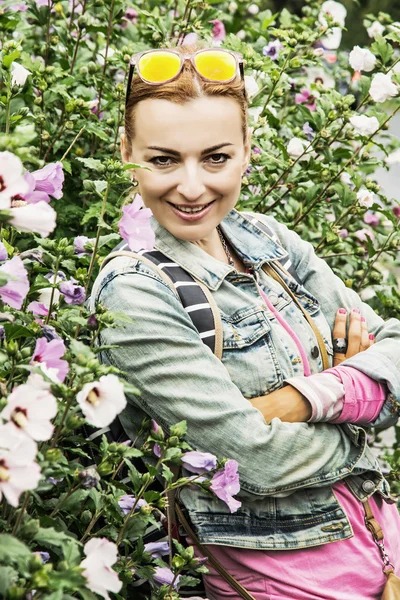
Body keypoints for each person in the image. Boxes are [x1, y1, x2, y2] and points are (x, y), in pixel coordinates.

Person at [89, 42, 400, 600]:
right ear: (126, 152)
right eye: (162, 159)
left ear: (246, 151)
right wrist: (361, 409)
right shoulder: (136, 293)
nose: (190, 186)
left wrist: (307, 400)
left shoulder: (268, 240)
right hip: (277, 585)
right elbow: (251, 460)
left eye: (215, 157)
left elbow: (397, 346)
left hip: (383, 548)